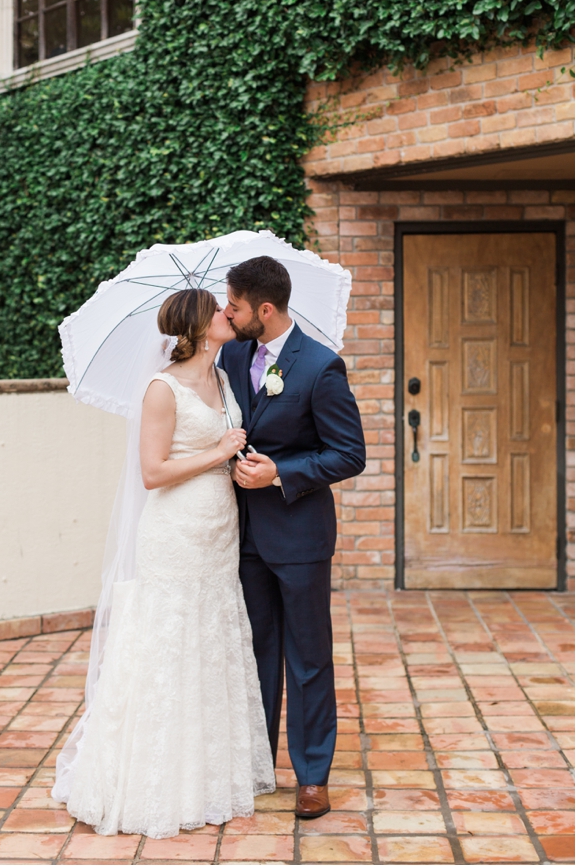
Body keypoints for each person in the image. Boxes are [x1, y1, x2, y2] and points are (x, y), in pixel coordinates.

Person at [52, 288, 275, 838]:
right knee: (168, 642)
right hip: (174, 531)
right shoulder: (161, 388)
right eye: (218, 309)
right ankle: (152, 780)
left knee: (210, 640)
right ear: (196, 326)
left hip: (220, 530)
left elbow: (223, 444)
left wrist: (239, 456)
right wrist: (218, 453)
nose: (229, 312)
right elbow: (152, 472)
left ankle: (206, 775)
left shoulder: (223, 379)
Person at [220, 255, 366, 819]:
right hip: (242, 533)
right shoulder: (231, 355)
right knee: (255, 652)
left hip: (300, 535)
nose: (227, 315)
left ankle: (312, 776)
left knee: (308, 657)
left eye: (234, 307)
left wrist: (279, 472)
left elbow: (348, 454)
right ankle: (259, 765)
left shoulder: (321, 366)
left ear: (264, 308)